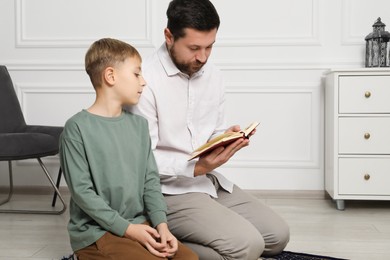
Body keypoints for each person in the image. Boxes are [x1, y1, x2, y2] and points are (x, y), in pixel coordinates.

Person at [130, 0, 290, 259]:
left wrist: (225, 139)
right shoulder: (143, 79)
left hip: (206, 183)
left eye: (209, 47)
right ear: (169, 36)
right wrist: (195, 167)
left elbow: (211, 130)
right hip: (166, 191)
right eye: (194, 48)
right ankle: (155, 235)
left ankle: (183, 236)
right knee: (247, 246)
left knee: (276, 236)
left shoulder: (213, 75)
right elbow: (141, 160)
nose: (202, 57)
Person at [59, 38, 198, 260]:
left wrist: (162, 225)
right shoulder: (76, 128)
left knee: (190, 258)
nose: (143, 82)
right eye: (136, 74)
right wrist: (129, 231)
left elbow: (150, 182)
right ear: (110, 76)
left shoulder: (139, 126)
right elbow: (82, 193)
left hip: (139, 223)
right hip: (96, 232)